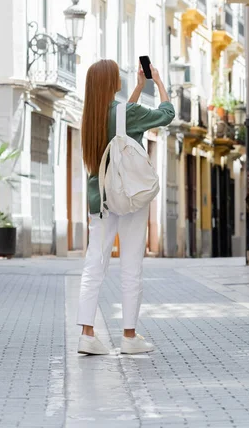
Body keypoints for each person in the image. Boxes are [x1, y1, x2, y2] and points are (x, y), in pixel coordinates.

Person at [77, 59, 175, 355]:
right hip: (130, 197)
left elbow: (120, 124)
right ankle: (129, 337)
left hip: (102, 200)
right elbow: (166, 115)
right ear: (109, 82)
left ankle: (86, 333)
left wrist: (136, 88)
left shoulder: (90, 118)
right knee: (132, 264)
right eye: (117, 75)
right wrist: (157, 82)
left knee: (95, 264)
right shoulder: (126, 113)